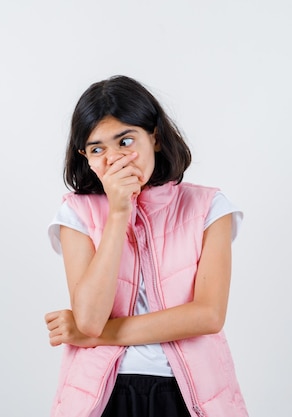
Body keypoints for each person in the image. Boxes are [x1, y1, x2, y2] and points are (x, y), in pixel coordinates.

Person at [44, 75, 248, 417]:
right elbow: (90, 319)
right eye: (97, 149)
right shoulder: (75, 212)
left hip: (189, 395)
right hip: (103, 394)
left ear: (154, 136)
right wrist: (118, 212)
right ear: (85, 156)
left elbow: (208, 315)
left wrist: (92, 335)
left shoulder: (209, 206)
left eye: (125, 141)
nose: (114, 159)